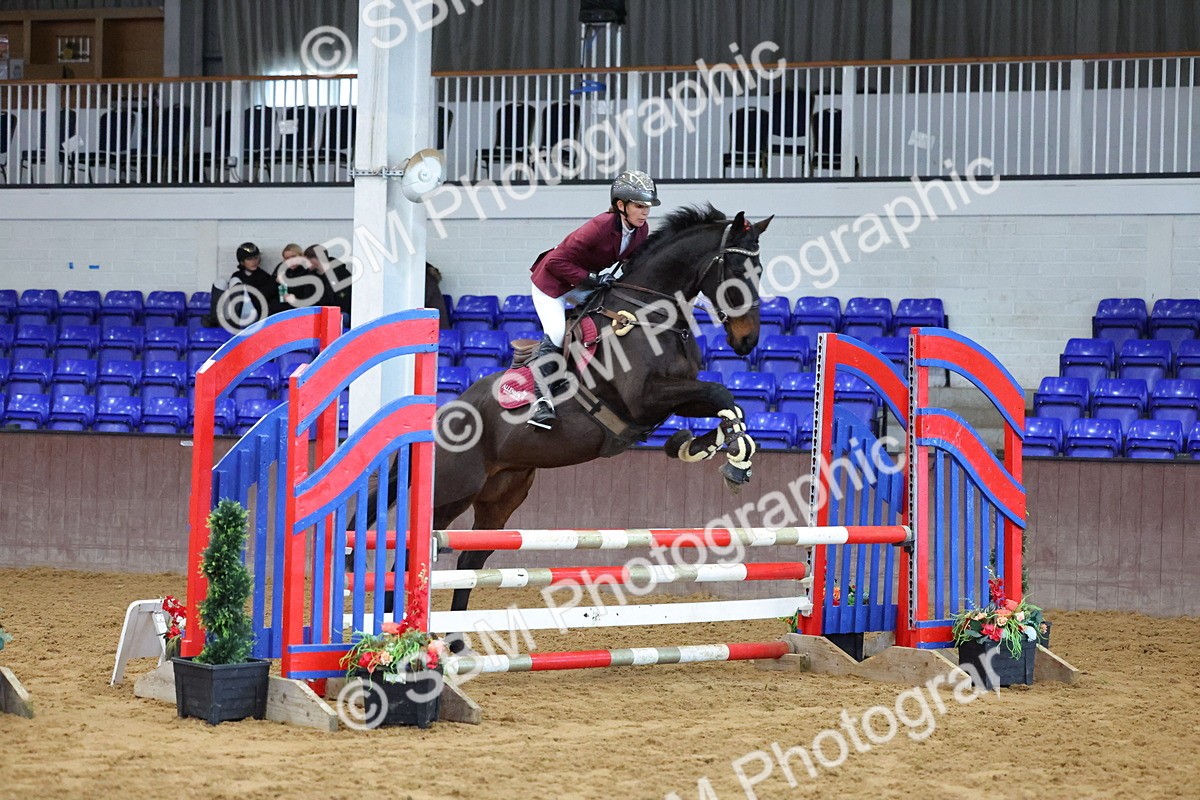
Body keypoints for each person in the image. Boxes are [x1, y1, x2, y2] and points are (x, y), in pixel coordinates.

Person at [525, 169, 660, 429]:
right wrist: (593, 280)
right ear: (621, 205)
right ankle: (540, 401)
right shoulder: (599, 226)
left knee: (609, 313)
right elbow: (555, 262)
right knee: (555, 333)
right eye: (639, 206)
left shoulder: (640, 231)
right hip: (551, 284)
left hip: (581, 283)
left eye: (648, 207)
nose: (645, 212)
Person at [219, 242, 279, 328]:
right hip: (237, 313)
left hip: (256, 316)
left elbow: (263, 298)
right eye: (249, 259)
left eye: (256, 258)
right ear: (242, 262)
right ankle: (217, 318)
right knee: (222, 283)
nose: (254, 261)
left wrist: (275, 283)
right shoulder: (237, 276)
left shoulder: (264, 276)